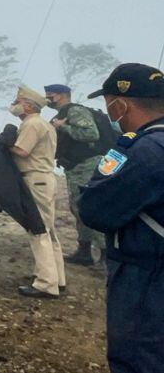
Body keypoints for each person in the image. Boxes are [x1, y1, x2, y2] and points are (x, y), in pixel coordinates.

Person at [80, 63, 164, 373]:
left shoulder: (142, 151)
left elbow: (94, 209)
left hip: (146, 274)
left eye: (108, 103)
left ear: (120, 105)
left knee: (137, 357)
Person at [6, 85, 66, 298]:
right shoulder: (43, 124)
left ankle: (46, 284)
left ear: (29, 106)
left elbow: (22, 151)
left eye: (18, 101)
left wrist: (5, 145)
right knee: (48, 231)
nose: (14, 105)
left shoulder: (32, 124)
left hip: (35, 179)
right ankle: (57, 278)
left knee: (38, 230)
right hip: (45, 180)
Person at [43, 83, 108, 266]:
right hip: (74, 167)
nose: (47, 99)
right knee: (78, 208)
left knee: (89, 207)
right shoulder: (62, 114)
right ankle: (84, 251)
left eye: (50, 95)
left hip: (87, 165)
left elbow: (91, 134)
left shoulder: (75, 111)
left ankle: (105, 254)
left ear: (62, 95)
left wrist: (63, 127)